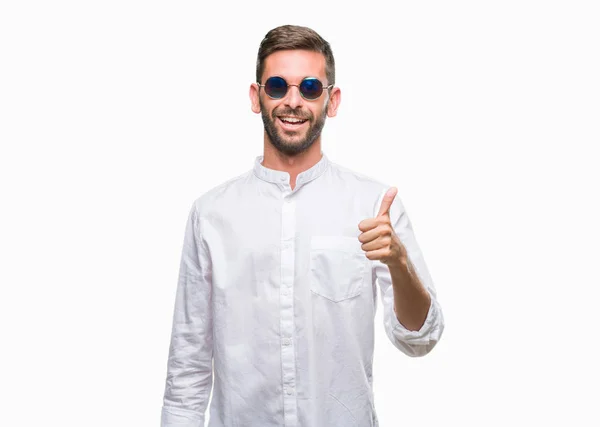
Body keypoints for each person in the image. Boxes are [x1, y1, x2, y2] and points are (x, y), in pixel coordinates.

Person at [161, 24, 444, 427]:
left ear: (332, 101)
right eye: (277, 86)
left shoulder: (373, 206)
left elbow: (420, 339)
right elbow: (187, 368)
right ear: (256, 97)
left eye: (310, 87)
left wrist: (399, 262)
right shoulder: (211, 214)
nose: (293, 101)